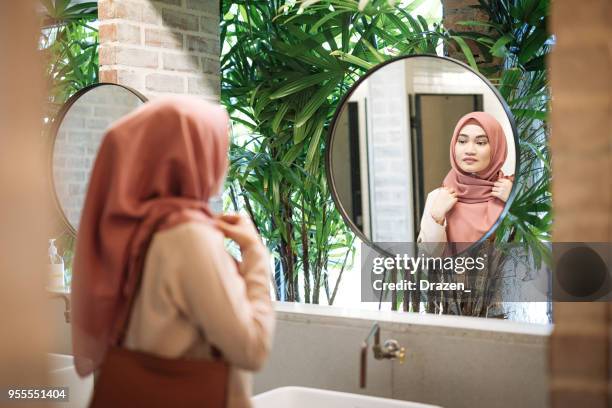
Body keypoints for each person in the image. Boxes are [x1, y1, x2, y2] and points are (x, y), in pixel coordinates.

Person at [70, 95, 275, 408]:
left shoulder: (144, 227)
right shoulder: (188, 236)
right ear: (188, 155)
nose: (225, 160)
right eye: (217, 144)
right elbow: (252, 348)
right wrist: (256, 255)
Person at [417, 111, 513, 256]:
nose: (469, 150)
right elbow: (428, 258)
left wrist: (513, 203)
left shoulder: (511, 190)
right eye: (462, 141)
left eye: (481, 143)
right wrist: (436, 217)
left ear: (497, 148)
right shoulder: (437, 198)